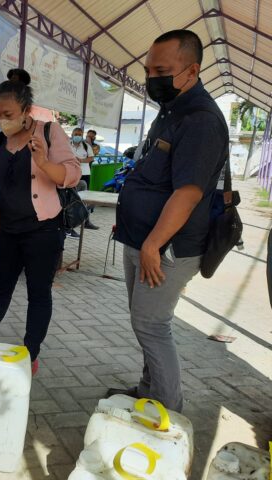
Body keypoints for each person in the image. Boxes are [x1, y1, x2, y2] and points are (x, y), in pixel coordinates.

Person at [107, 30, 229, 412]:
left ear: (192, 70)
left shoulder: (202, 120)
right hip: (144, 240)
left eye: (161, 70)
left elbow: (188, 193)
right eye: (148, 70)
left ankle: (168, 410)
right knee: (143, 322)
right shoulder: (172, 110)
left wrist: (152, 244)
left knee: (152, 325)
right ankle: (149, 389)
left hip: (166, 248)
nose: (151, 78)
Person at [0, 69, 81, 375]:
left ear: (26, 111)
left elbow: (71, 174)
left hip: (43, 232)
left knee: (38, 293)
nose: (1, 120)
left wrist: (45, 162)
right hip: (8, 229)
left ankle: (30, 353)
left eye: (7, 114)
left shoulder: (49, 132)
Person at [71, 127, 99, 231]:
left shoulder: (86, 146)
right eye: (76, 134)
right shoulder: (67, 145)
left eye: (79, 134)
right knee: (72, 198)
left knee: (84, 199)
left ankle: (86, 221)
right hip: (72, 174)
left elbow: (91, 158)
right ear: (72, 134)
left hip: (85, 174)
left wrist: (81, 160)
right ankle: (70, 223)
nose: (78, 136)